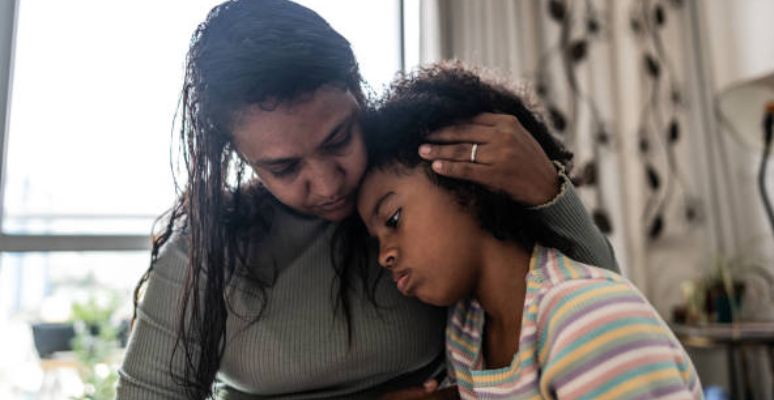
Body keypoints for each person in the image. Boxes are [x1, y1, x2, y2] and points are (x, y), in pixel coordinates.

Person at [117, 1, 618, 399]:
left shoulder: (421, 187)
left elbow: (596, 310)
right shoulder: (204, 250)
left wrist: (546, 189)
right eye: (285, 168)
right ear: (238, 156)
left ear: (358, 94)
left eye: (338, 139)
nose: (326, 184)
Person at [356, 63, 702, 399]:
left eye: (393, 219)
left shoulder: (586, 317)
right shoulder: (467, 332)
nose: (384, 256)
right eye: (376, 241)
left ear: (467, 177)